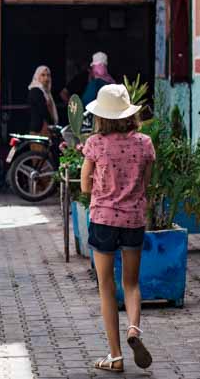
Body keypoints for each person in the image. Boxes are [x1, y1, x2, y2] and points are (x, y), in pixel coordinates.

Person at [80, 84, 154, 373]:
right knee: (132, 283)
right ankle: (134, 328)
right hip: (134, 219)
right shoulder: (145, 143)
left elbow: (85, 184)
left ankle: (115, 355)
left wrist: (102, 189)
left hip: (103, 220)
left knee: (106, 286)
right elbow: (147, 183)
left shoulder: (96, 143)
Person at [27, 65, 59, 136]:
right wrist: (51, 123)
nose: (46, 78)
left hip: (46, 130)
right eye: (43, 75)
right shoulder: (35, 90)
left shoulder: (46, 92)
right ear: (37, 76)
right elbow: (43, 110)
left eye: (48, 75)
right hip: (38, 131)